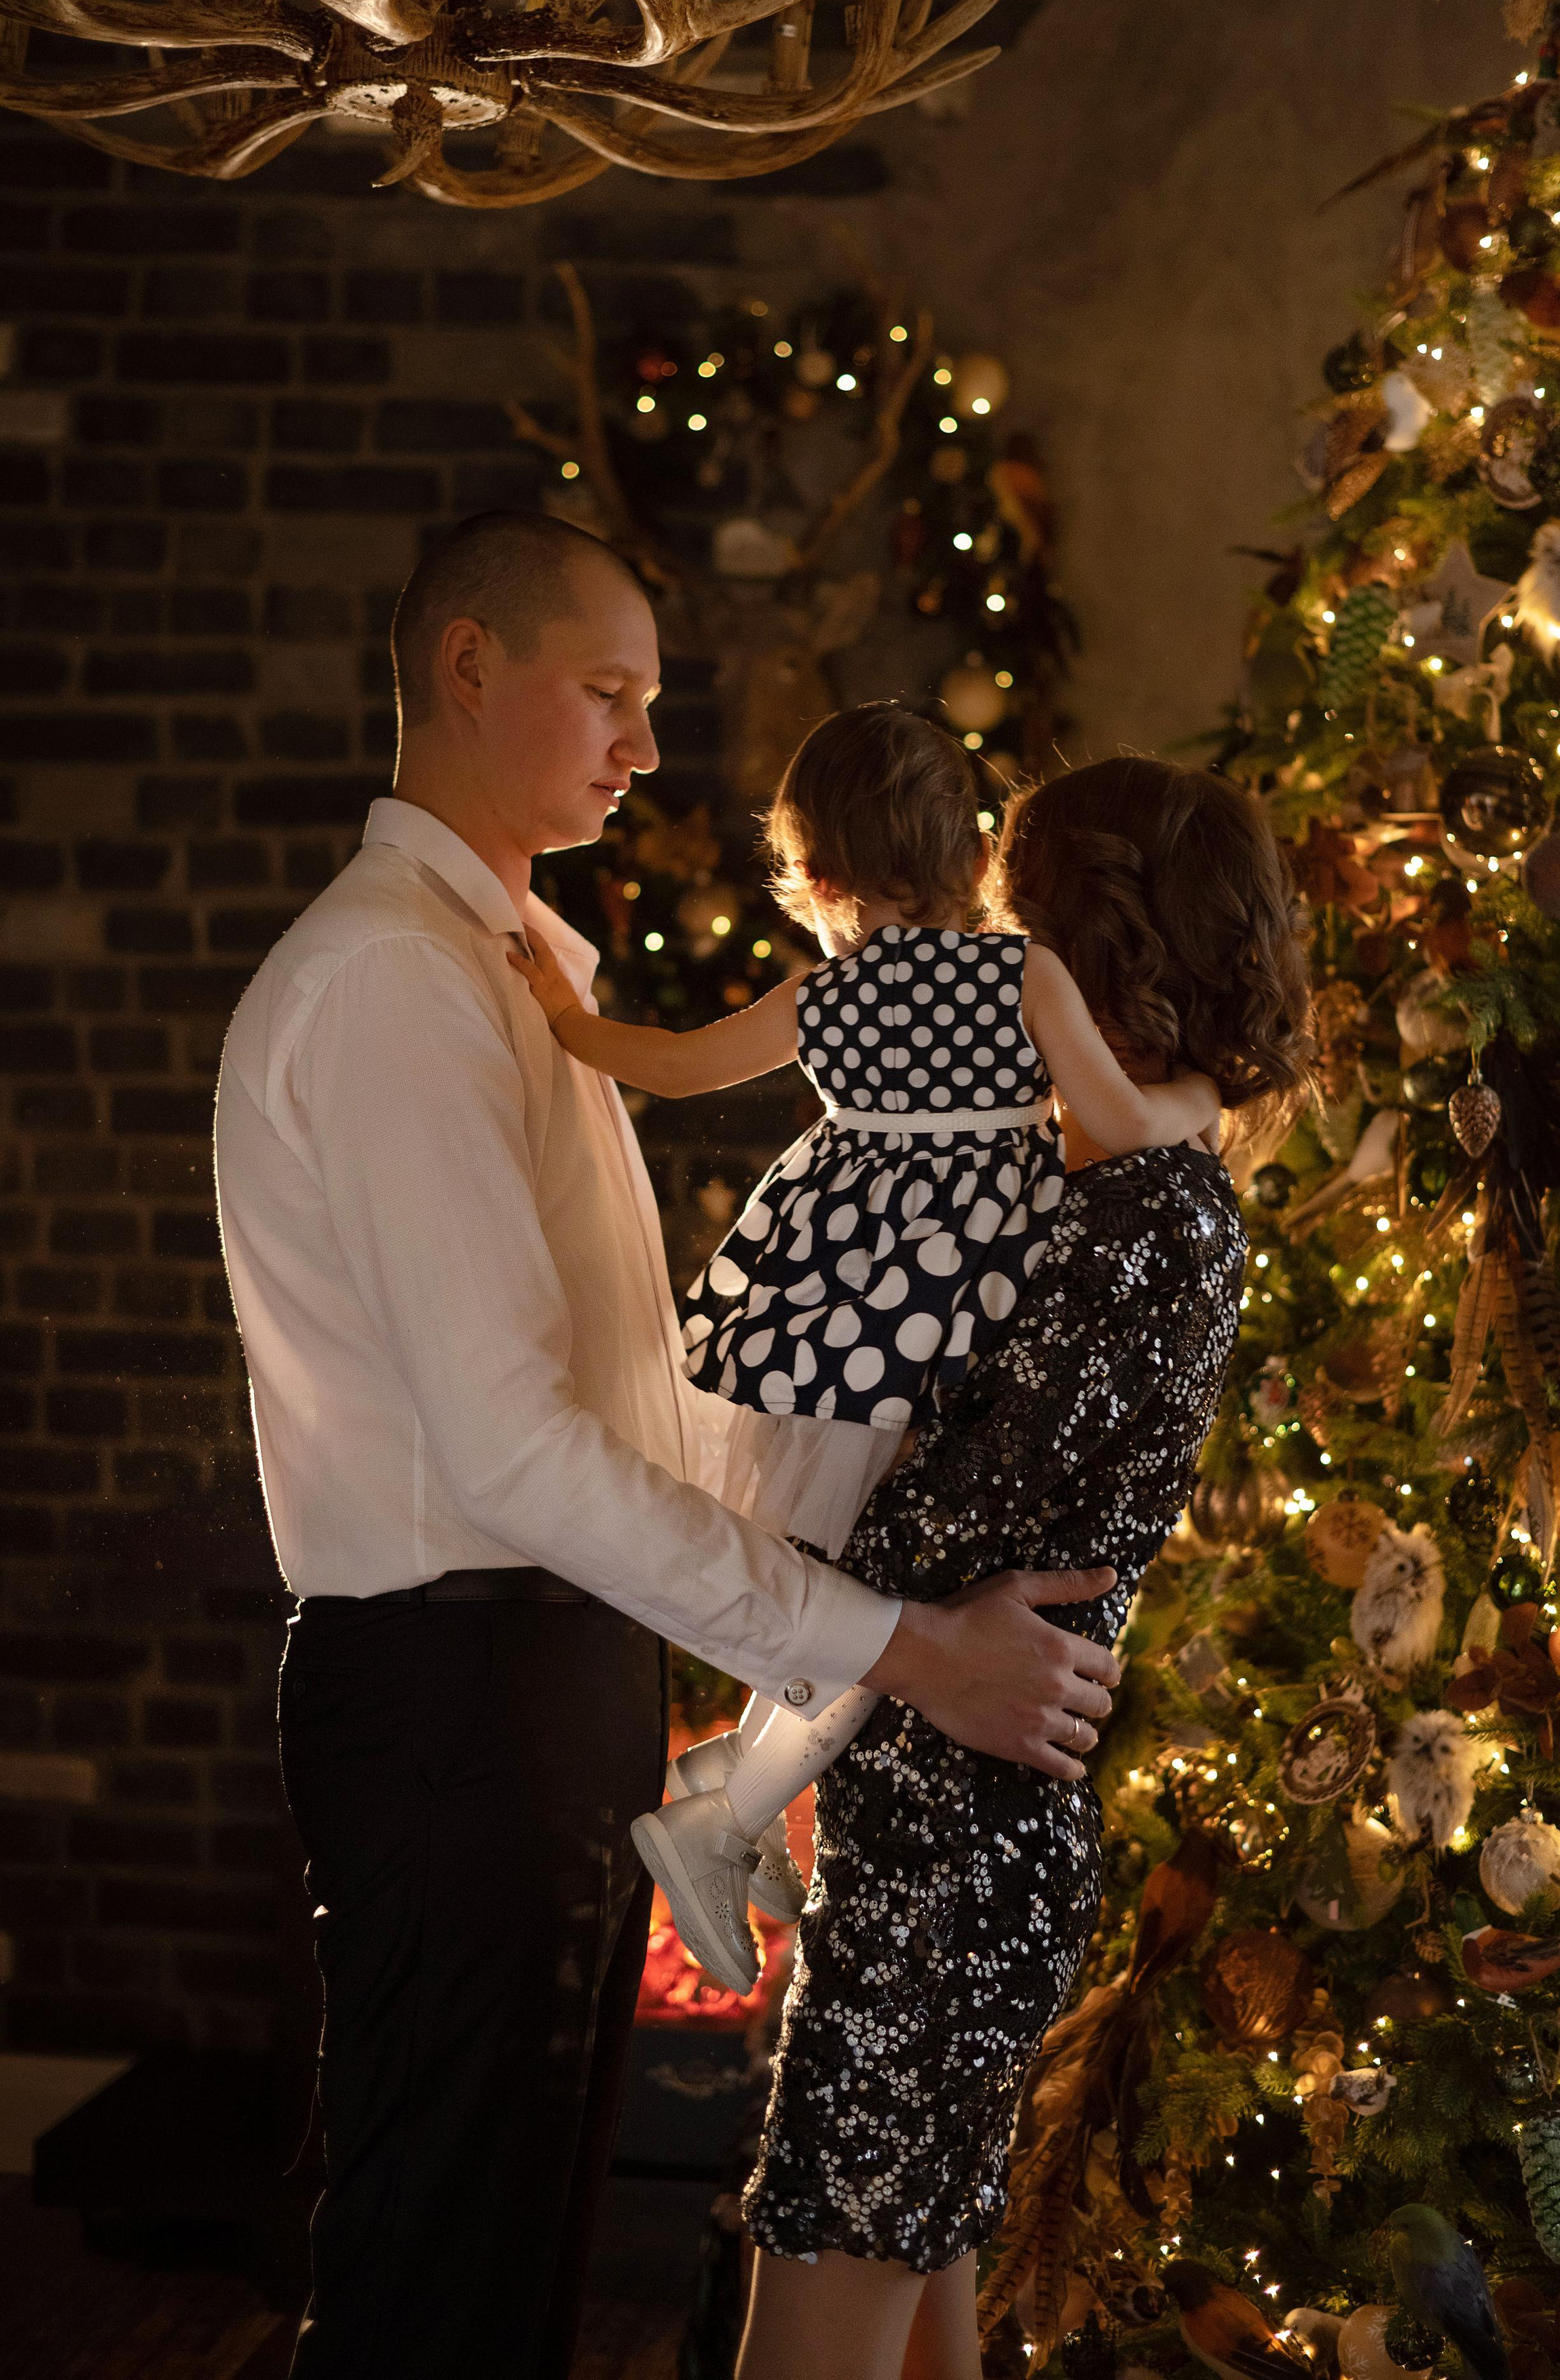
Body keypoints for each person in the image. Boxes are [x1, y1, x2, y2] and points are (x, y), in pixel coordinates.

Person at [211, 511, 1123, 2380]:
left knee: (505, 2265)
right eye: (608, 692)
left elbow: (627, 1397)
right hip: (453, 1684)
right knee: (436, 2281)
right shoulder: (399, 981)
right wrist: (897, 1650)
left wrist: (805, 1633)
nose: (643, 745)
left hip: (531, 1672)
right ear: (470, 667)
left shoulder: (517, 969)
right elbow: (516, 1455)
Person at [732, 754, 1312, 2380]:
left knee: (811, 2339)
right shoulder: (1114, 1190)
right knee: (921, 2330)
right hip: (947, 1828)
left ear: (1073, 960)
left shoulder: (1147, 1215)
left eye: (998, 930)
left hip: (953, 1858)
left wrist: (781, 1550)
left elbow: (945, 1539)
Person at [512, 703, 1221, 1996]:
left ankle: (734, 1785)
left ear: (823, 878)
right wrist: (1202, 1097)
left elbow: (668, 1072)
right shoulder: (1024, 975)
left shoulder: (826, 994)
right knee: (898, 1604)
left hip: (838, 1335)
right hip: (967, 1331)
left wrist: (567, 1014)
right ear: (971, 853)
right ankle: (723, 1813)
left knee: (849, 1585)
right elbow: (1119, 1120)